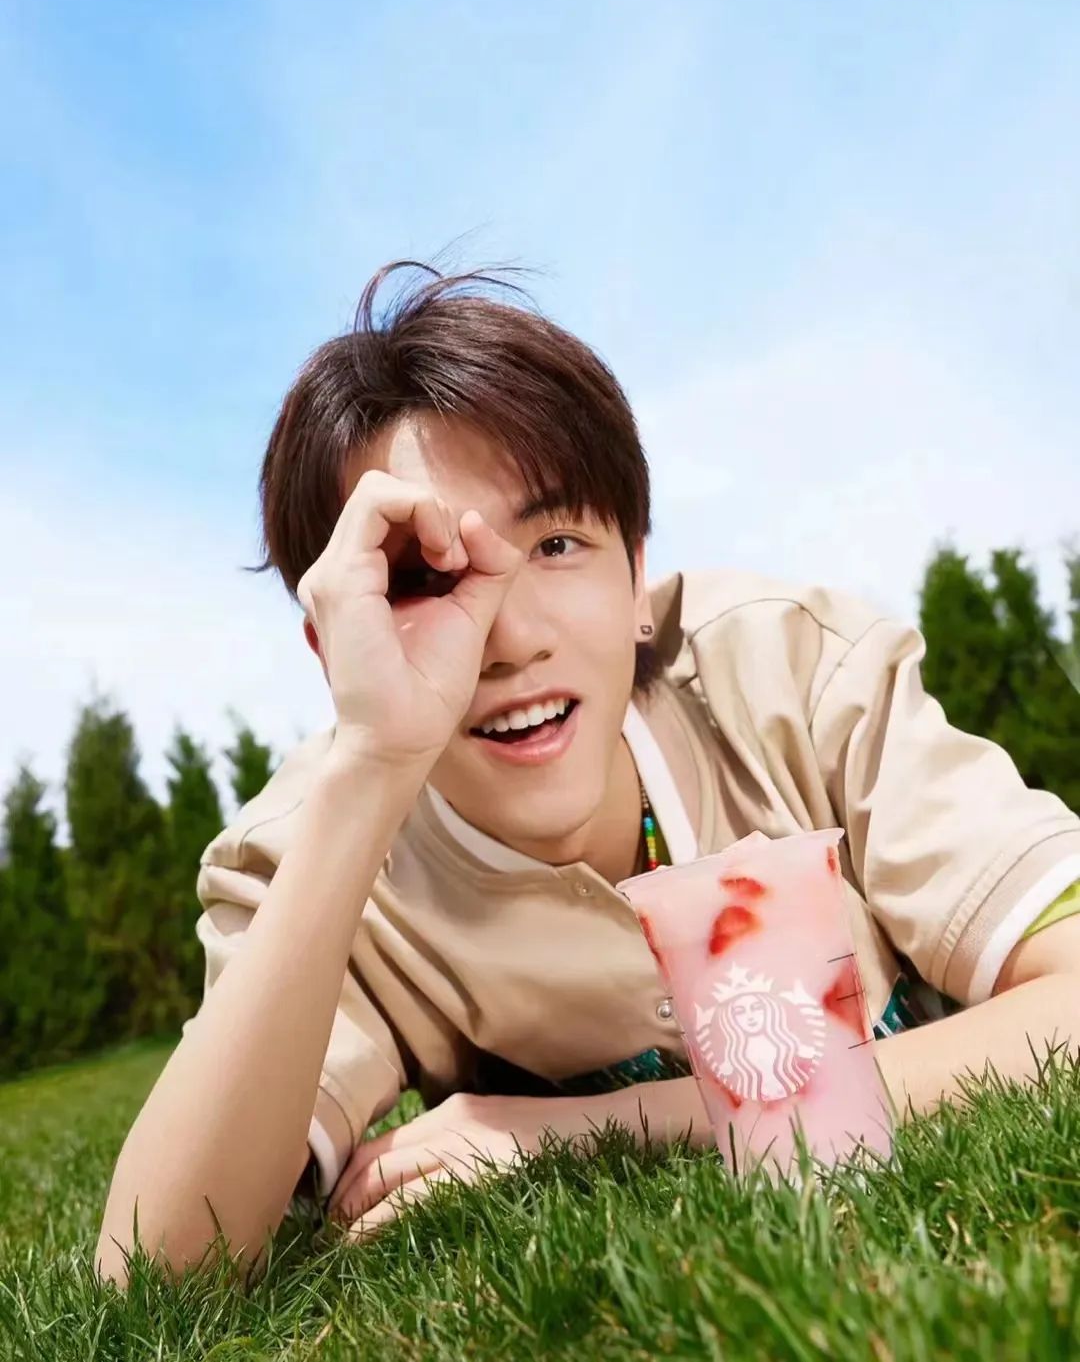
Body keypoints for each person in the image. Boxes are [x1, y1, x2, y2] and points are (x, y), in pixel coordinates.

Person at [95, 264, 1080, 1285]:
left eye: (558, 543)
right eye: (421, 579)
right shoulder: (314, 851)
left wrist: (590, 1128)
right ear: (334, 636)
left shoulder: (793, 673)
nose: (512, 637)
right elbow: (157, 1273)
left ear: (637, 573)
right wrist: (372, 761)